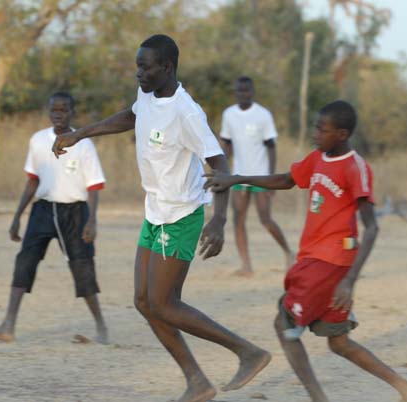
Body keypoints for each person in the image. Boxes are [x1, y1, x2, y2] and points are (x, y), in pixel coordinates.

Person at [51, 34, 271, 402]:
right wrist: (81, 134)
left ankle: (247, 352)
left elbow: (219, 163)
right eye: (137, 65)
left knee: (165, 304)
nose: (138, 72)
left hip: (181, 216)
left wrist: (218, 220)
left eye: (145, 66)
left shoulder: (187, 112)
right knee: (143, 301)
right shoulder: (149, 94)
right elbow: (131, 115)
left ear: (166, 67)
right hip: (155, 211)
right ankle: (197, 382)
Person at [204, 100, 407, 402]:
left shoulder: (355, 167)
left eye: (321, 129)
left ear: (342, 133)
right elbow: (285, 180)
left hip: (329, 262)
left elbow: (371, 227)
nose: (315, 133)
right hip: (317, 259)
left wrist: (350, 279)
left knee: (283, 323)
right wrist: (236, 179)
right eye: (315, 126)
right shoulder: (317, 158)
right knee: (339, 342)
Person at [0, 92, 109, 344]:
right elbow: (32, 180)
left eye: (64, 110)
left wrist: (92, 220)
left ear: (72, 112)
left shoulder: (83, 144)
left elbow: (94, 186)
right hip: (43, 211)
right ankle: (8, 325)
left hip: (75, 212)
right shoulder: (37, 140)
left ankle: (101, 328)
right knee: (25, 261)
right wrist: (17, 216)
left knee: (82, 267)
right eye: (54, 110)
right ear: (48, 112)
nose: (58, 114)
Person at [220, 76, 294, 277]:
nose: (243, 94)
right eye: (239, 91)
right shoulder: (229, 115)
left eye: (246, 91)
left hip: (261, 176)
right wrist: (221, 170)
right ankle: (246, 265)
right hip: (238, 176)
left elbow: (271, 147)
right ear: (235, 92)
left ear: (252, 92)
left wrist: (271, 179)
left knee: (265, 218)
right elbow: (226, 144)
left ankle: (288, 252)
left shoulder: (263, 115)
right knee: (238, 218)